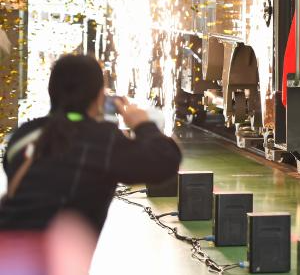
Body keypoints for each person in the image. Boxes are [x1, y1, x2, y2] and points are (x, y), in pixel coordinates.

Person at [0, 55, 181, 234]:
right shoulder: (103, 140)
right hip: (43, 251)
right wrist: (142, 124)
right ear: (99, 95)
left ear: (51, 91)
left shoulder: (24, 134)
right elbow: (166, 160)